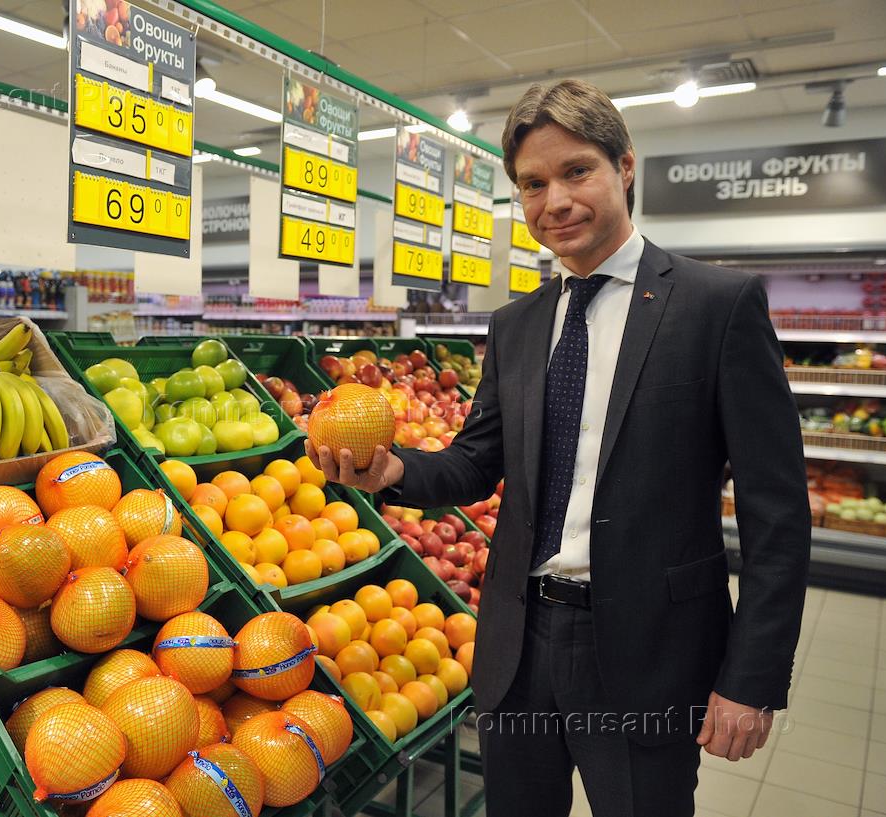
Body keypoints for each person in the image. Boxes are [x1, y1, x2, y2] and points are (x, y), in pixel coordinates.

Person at [307, 78, 810, 817]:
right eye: (533, 184)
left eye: (577, 171)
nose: (556, 201)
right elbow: (475, 463)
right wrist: (391, 469)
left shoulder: (716, 306)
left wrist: (752, 678)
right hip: (520, 646)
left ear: (625, 167)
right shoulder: (516, 325)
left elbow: (778, 515)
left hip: (650, 650)